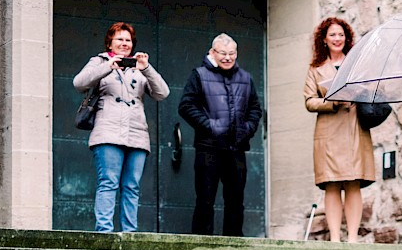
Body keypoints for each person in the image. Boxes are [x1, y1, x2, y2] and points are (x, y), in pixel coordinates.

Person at [73, 21, 170, 232]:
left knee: (132, 187)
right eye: (120, 39)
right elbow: (79, 83)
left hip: (137, 134)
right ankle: (104, 232)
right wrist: (108, 66)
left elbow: (162, 93)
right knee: (108, 182)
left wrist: (148, 69)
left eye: (128, 40)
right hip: (107, 132)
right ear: (110, 42)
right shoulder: (99, 61)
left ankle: (130, 233)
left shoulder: (139, 67)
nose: (124, 44)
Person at [178, 33, 263, 236]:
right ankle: (201, 245)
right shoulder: (198, 75)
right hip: (208, 147)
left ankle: (234, 247)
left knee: (236, 201)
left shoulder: (246, 77)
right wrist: (210, 126)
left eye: (231, 53)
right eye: (223, 53)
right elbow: (186, 106)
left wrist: (247, 129)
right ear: (212, 53)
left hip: (236, 147)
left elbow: (255, 109)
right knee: (205, 199)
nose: (227, 58)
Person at [304, 17, 376, 243]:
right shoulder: (315, 69)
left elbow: (370, 90)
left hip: (354, 129)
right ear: (324, 39)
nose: (337, 39)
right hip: (329, 132)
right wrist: (332, 101)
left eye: (341, 35)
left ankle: (353, 238)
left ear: (347, 39)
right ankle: (335, 238)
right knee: (332, 183)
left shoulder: (356, 64)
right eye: (333, 35)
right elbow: (309, 101)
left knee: (354, 181)